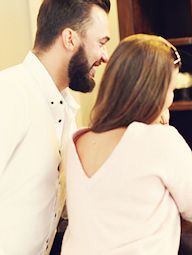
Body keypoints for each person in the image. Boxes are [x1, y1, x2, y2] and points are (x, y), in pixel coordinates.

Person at [60, 34, 192, 254]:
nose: (170, 99)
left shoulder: (77, 141)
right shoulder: (159, 140)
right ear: (155, 92)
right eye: (170, 90)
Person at [0, 0, 111, 254]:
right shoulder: (9, 93)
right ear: (70, 39)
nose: (105, 56)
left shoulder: (67, 111)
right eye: (101, 43)